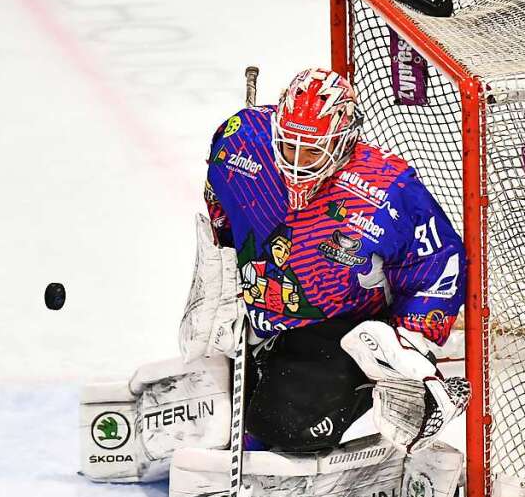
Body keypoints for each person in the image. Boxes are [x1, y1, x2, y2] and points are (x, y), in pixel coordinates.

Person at [199, 66, 468, 453]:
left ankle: (371, 391)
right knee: (216, 405)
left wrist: (406, 348)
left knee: (282, 427)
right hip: (261, 312)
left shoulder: (388, 189)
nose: (296, 161)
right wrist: (225, 272)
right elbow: (218, 204)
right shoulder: (240, 140)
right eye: (288, 145)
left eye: (311, 150)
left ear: (342, 141)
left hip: (340, 327)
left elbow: (440, 264)